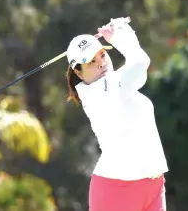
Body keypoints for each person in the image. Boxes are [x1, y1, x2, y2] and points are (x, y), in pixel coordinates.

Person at [65, 17, 169, 211]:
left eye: (102, 55)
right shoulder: (98, 93)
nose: (101, 64)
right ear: (79, 73)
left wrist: (124, 34)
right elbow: (140, 63)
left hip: (153, 186)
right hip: (117, 191)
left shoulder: (116, 84)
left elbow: (139, 70)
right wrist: (120, 35)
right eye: (91, 62)